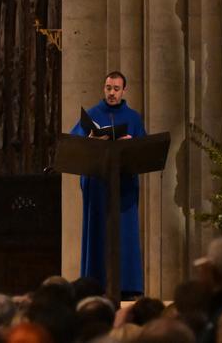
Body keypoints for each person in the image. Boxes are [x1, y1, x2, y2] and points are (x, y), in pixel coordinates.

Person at [69, 71, 147, 297]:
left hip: (123, 185)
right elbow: (74, 144)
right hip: (98, 184)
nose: (111, 93)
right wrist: (91, 141)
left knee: (125, 233)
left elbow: (144, 149)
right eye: (108, 88)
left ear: (124, 91)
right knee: (98, 232)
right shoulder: (93, 114)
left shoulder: (133, 118)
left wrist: (131, 143)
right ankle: (94, 285)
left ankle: (127, 286)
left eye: (115, 89)